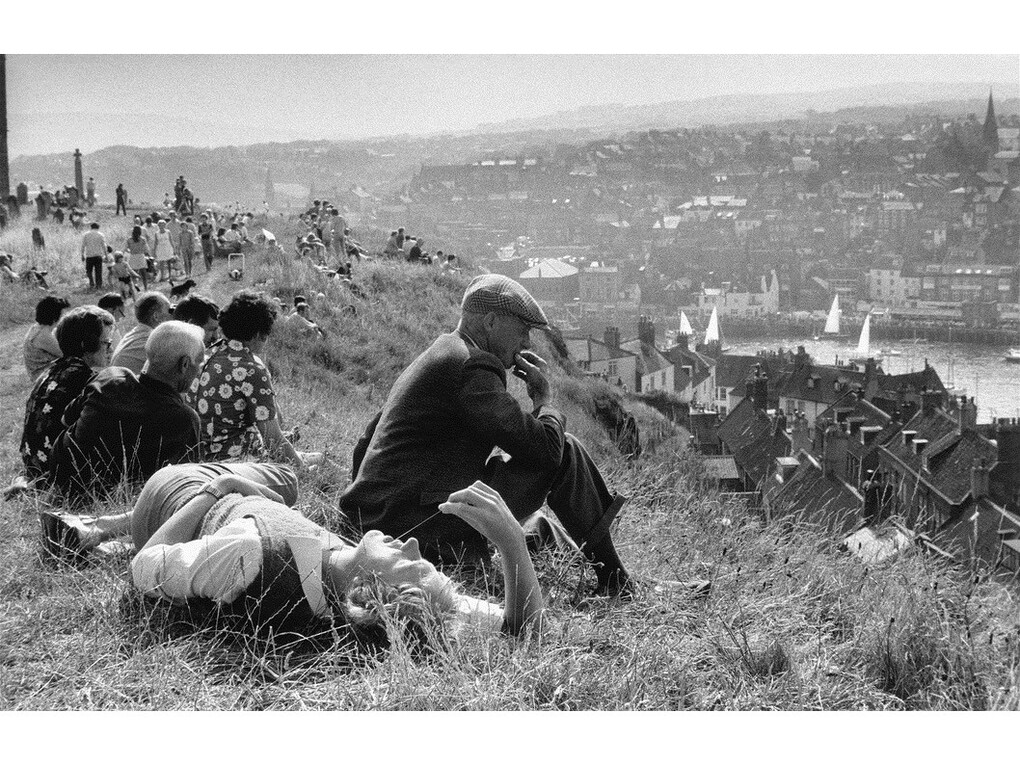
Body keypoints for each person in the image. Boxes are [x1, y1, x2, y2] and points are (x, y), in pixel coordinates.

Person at [340, 274, 633, 596]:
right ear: (491, 321)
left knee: (538, 523)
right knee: (566, 449)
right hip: (418, 525)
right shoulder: (473, 365)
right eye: (522, 330)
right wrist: (544, 399)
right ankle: (617, 580)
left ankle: (609, 571)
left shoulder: (440, 353)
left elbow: (365, 442)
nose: (526, 343)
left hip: (378, 519)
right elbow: (547, 451)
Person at [45, 467, 544, 639]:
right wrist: (511, 543)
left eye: (411, 565)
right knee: (284, 488)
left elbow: (142, 570)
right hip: (250, 511)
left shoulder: (247, 557)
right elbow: (523, 627)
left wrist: (217, 490)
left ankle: (95, 529)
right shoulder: (349, 578)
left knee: (282, 477)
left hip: (180, 495)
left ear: (372, 600)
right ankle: (104, 533)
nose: (412, 544)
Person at [49, 321, 205, 503]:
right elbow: (187, 485)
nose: (200, 370)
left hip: (62, 482)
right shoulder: (184, 419)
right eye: (200, 363)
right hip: (110, 502)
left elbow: (65, 419)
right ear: (184, 364)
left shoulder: (109, 378)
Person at [191, 291, 320, 467]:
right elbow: (272, 438)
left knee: (319, 457)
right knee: (310, 463)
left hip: (203, 460)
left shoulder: (209, 356)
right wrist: (303, 470)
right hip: (238, 462)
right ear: (260, 333)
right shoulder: (251, 370)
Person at [11, 306, 115, 495]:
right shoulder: (87, 379)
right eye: (106, 343)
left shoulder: (53, 370)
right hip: (58, 480)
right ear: (85, 345)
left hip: (34, 468)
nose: (111, 349)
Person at [110, 291, 173, 375]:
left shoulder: (133, 334)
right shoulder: (152, 342)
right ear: (156, 316)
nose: (172, 314)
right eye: (169, 310)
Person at [24, 295, 71, 380]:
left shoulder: (39, 327)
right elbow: (67, 354)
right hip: (43, 377)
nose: (64, 318)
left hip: (46, 370)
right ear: (55, 317)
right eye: (62, 315)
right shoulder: (43, 335)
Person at [80, 222, 107, 290]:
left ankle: (91, 283)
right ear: (98, 227)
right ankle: (98, 285)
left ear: (91, 227)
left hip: (89, 255)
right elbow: (104, 246)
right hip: (98, 255)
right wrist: (106, 255)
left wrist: (82, 254)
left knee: (89, 271)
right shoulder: (101, 235)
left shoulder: (86, 234)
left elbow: (83, 245)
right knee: (98, 271)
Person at [124, 225, 151, 291]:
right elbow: (146, 249)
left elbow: (125, 249)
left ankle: (134, 287)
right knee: (143, 274)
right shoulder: (143, 239)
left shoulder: (129, 240)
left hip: (133, 257)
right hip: (141, 257)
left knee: (133, 274)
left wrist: (130, 250)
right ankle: (146, 288)